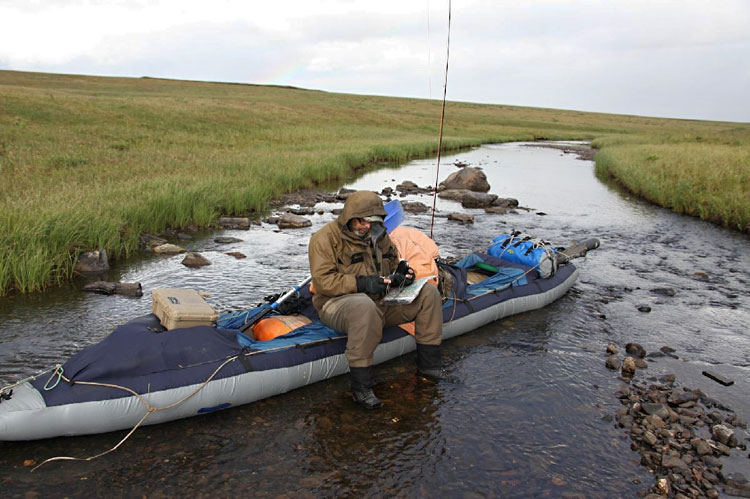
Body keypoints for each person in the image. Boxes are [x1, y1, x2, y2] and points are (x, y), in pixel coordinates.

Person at [308, 190, 444, 409]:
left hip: (381, 300)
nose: (367, 227)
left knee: (428, 293)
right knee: (364, 306)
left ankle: (430, 369)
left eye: (372, 222)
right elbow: (324, 282)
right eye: (362, 222)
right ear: (351, 218)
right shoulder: (323, 239)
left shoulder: (380, 235)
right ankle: (361, 389)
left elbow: (392, 264)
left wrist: (401, 274)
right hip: (335, 304)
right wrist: (361, 283)